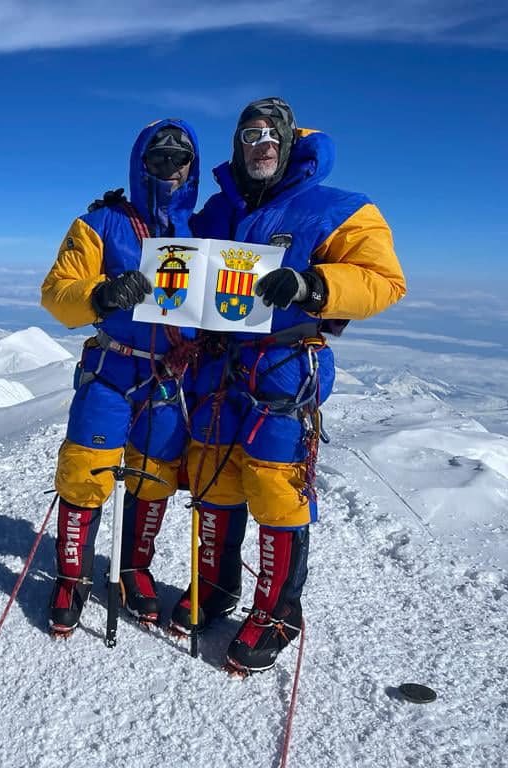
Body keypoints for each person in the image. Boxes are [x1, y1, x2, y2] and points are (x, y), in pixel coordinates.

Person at [169, 97, 406, 673]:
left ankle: (279, 611)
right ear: (238, 145)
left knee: (277, 486)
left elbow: (383, 280)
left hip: (284, 364)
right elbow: (177, 255)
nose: (262, 146)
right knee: (213, 475)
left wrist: (312, 284)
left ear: (291, 142)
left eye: (272, 136)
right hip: (218, 365)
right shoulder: (216, 211)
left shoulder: (338, 208)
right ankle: (216, 586)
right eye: (250, 136)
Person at [40, 119, 201, 636]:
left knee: (154, 477)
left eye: (180, 159)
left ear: (192, 167)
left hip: (170, 376)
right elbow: (56, 292)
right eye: (158, 158)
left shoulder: (204, 229)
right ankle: (72, 575)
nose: (169, 168)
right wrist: (102, 294)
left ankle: (134, 568)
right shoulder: (102, 223)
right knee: (85, 472)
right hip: (112, 367)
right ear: (140, 163)